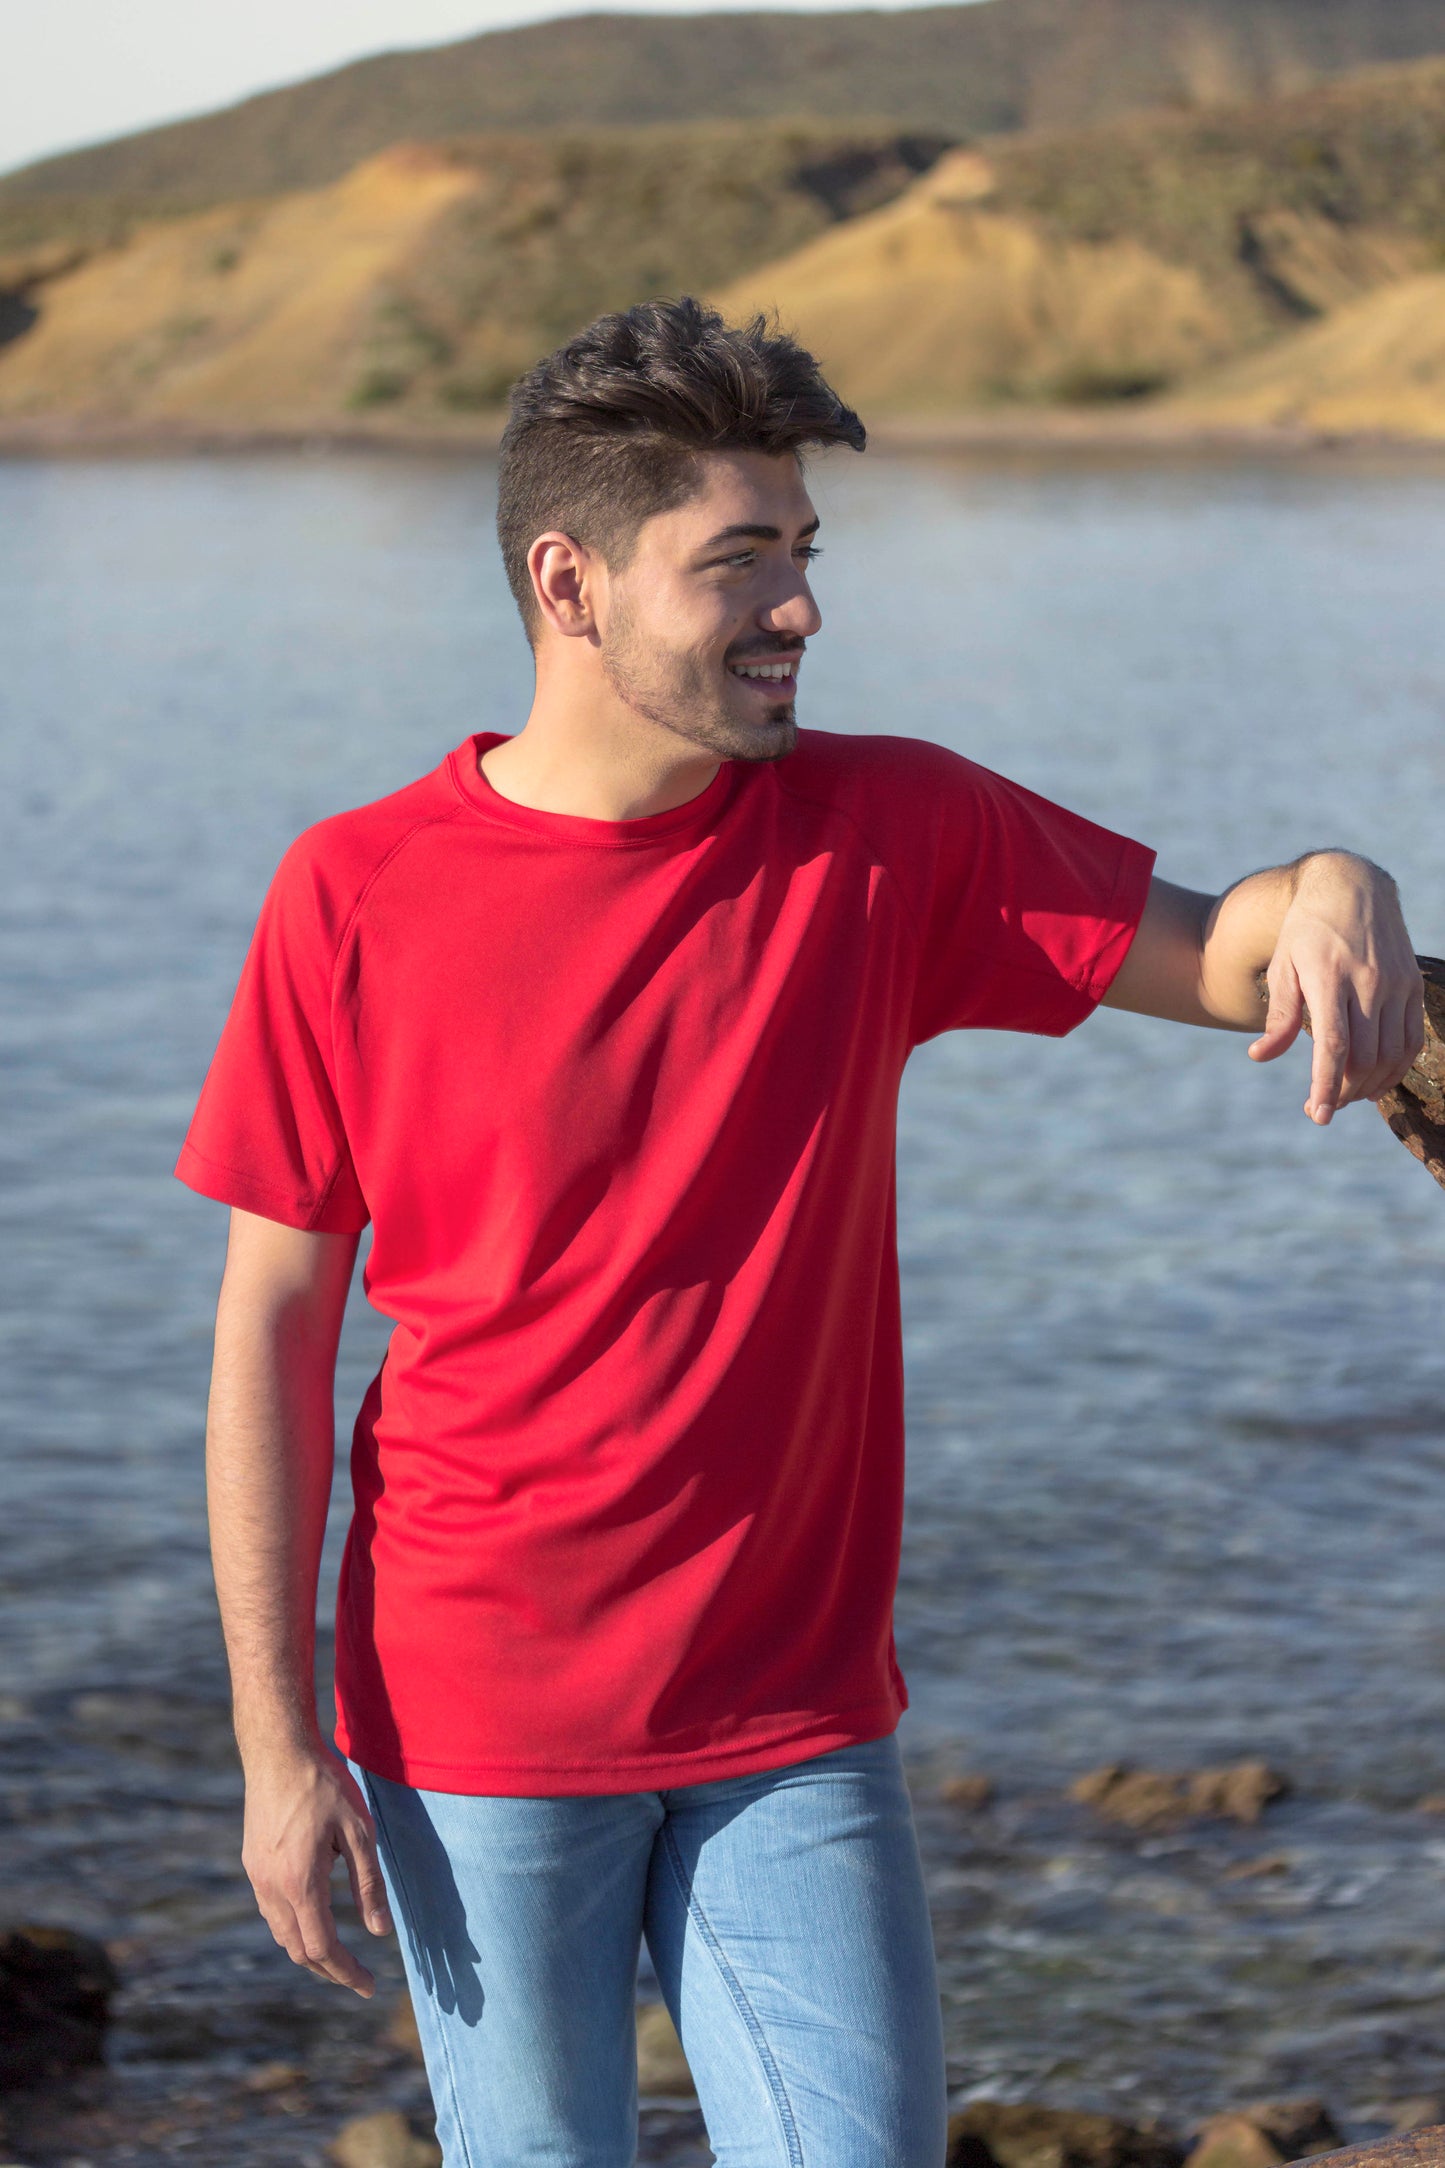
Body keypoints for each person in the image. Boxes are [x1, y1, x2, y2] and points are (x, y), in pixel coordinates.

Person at [177, 296, 1424, 2168]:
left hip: (792, 1716)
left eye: (804, 552)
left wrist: (1338, 879)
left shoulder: (885, 832)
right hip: (471, 1720)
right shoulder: (352, 891)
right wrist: (276, 1750)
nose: (798, 609)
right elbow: (271, 1330)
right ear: (569, 582)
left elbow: (1225, 953)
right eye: (737, 560)